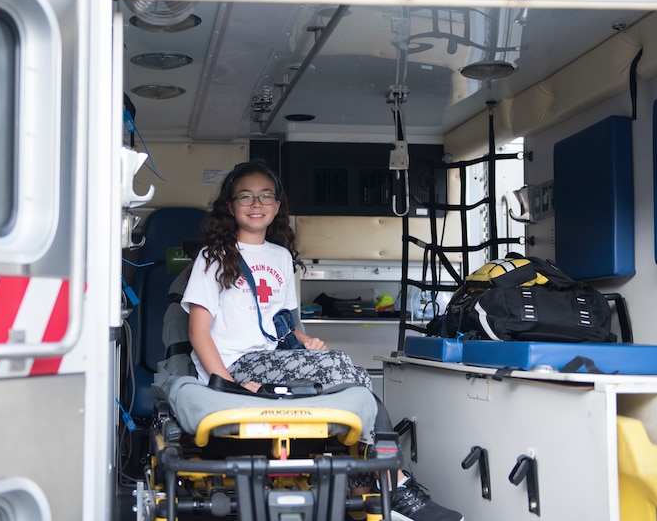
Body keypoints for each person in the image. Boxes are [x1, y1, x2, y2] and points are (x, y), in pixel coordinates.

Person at [181, 160, 464, 521]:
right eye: (246, 196)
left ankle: (376, 484)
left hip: (271, 361)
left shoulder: (280, 257)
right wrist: (231, 385)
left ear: (277, 206)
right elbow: (198, 330)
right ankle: (393, 485)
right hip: (235, 366)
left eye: (266, 195)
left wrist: (305, 340)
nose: (256, 203)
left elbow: (281, 325)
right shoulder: (214, 257)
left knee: (352, 380)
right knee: (347, 375)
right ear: (230, 205)